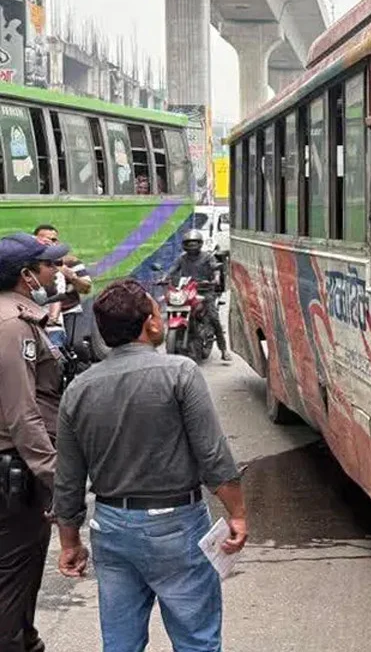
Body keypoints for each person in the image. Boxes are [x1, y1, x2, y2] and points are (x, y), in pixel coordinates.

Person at [53, 279, 248, 651]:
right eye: (156, 310)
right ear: (151, 324)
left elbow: (68, 478)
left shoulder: (78, 389)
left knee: (120, 643)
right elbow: (212, 454)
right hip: (177, 525)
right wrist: (237, 513)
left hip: (111, 527)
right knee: (197, 641)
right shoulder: (179, 373)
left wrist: (70, 542)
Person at [0, 232, 70, 652]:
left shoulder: (16, 316)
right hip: (16, 471)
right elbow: (23, 415)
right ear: (26, 275)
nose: (56, 271)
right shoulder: (13, 326)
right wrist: (57, 477)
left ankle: (25, 640)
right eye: (49, 265)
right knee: (13, 579)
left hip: (16, 468)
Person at [167, 228, 230, 362]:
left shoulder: (207, 257)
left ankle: (223, 349)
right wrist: (164, 278)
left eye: (194, 243)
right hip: (187, 290)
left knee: (213, 318)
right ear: (184, 245)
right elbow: (172, 270)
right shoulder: (182, 258)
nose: (191, 246)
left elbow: (214, 267)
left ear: (200, 243)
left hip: (205, 290)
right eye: (189, 243)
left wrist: (215, 278)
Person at [33, 224, 92, 351]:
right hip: (42, 314)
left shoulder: (71, 262)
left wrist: (72, 277)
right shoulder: (31, 263)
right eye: (44, 240)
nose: (50, 243)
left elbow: (86, 289)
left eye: (53, 240)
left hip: (69, 310)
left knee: (77, 346)